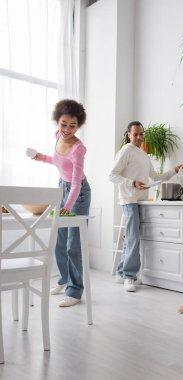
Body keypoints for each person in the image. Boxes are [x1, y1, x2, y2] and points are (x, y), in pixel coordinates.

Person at [109, 121, 183, 292]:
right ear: (128, 134)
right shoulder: (126, 151)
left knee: (132, 238)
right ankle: (129, 276)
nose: (138, 137)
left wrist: (175, 170)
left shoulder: (144, 155)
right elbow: (112, 175)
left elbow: (156, 176)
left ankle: (121, 271)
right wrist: (131, 183)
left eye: (141, 134)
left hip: (142, 200)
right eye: (135, 134)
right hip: (129, 200)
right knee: (134, 238)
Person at [33, 99, 91, 307]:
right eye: (63, 124)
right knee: (58, 239)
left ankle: (75, 292)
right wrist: (43, 158)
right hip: (62, 187)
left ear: (79, 125)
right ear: (57, 122)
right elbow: (59, 162)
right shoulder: (57, 136)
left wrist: (67, 207)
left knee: (73, 244)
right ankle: (64, 279)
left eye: (72, 125)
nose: (67, 129)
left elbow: (76, 182)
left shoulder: (79, 149)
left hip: (79, 192)